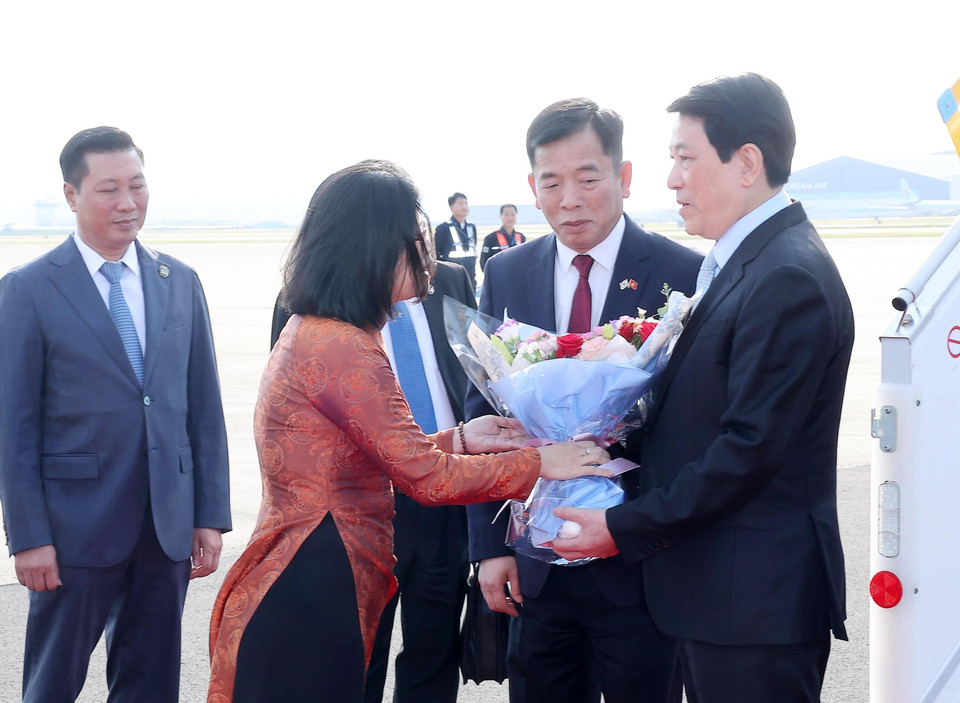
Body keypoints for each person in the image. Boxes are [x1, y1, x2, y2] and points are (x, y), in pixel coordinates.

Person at [207, 159, 610, 703]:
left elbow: (378, 452)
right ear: (372, 247)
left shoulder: (324, 329)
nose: (428, 252)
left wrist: (462, 438)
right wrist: (543, 463)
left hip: (316, 564)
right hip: (319, 572)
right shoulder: (341, 345)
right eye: (414, 237)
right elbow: (425, 477)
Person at [552, 74, 853, 703]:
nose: (672, 180)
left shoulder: (785, 277)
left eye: (686, 158)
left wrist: (623, 526)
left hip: (753, 607)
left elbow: (747, 450)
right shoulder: (744, 263)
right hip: (721, 598)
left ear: (747, 163)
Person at [465, 99, 703, 703]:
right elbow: (481, 416)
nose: (569, 199)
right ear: (532, 188)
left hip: (641, 567)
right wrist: (489, 549)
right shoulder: (507, 272)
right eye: (551, 182)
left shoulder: (683, 272)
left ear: (623, 178)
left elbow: (695, 425)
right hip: (536, 562)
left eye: (588, 177)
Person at [0, 126, 231, 703]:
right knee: (52, 684)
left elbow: (202, 408)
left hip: (166, 525)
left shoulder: (178, 282)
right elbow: (14, 426)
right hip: (73, 530)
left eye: (137, 186)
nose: (128, 203)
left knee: (151, 682)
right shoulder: (28, 290)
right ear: (71, 195)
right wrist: (28, 538)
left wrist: (209, 514)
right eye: (108, 190)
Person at [271, 262, 479, 702]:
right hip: (365, 510)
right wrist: (540, 464)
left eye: (422, 231)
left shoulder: (452, 280)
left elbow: (477, 378)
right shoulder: (313, 304)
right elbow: (293, 427)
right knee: (360, 657)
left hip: (449, 498)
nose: (420, 249)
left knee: (436, 649)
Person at [434, 192, 478, 290]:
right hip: (451, 281)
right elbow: (436, 254)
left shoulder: (472, 227)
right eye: (461, 203)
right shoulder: (443, 228)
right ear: (451, 207)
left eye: (466, 203)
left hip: (470, 279)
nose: (465, 206)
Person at [479, 203, 526, 271]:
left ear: (517, 216)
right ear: (500, 216)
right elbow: (484, 262)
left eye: (512, 215)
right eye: (506, 215)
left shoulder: (521, 237)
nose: (509, 218)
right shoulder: (491, 238)